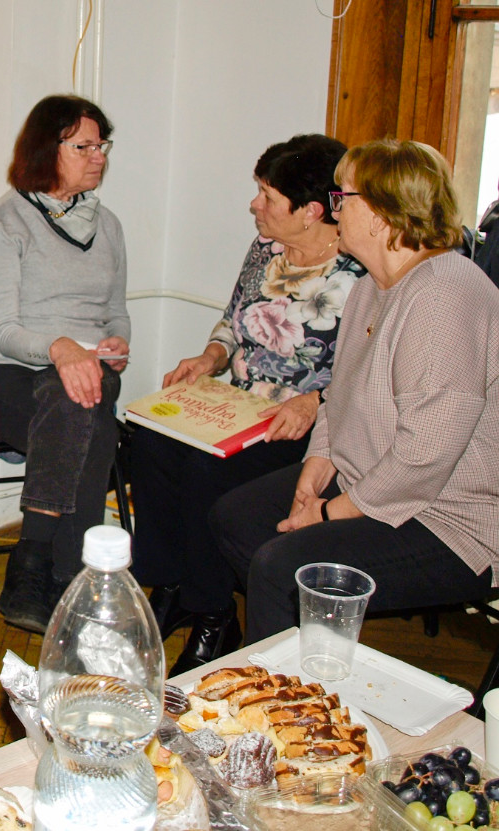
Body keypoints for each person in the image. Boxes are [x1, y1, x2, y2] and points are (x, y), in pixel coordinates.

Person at [211, 139, 499, 644]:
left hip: (449, 517)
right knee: (235, 519)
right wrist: (316, 469)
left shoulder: (445, 296)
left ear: (383, 216)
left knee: (282, 568)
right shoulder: (371, 285)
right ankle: (306, 652)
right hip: (368, 480)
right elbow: (337, 396)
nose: (334, 209)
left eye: (343, 198)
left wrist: (327, 512)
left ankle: (288, 677)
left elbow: (424, 457)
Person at [129, 135, 365, 675]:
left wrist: (315, 401)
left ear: (310, 211)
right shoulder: (266, 248)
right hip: (235, 405)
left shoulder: (357, 275)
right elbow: (234, 320)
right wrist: (210, 356)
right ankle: (169, 586)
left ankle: (214, 614)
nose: (254, 204)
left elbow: (366, 372)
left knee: (205, 471)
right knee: (150, 441)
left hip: (302, 425)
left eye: (267, 195)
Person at [0, 94, 129, 634]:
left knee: (77, 397)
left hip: (87, 373)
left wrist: (116, 345)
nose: (98, 157)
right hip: (2, 370)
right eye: (84, 147)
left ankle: (31, 563)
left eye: (102, 146)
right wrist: (61, 348)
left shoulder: (109, 226)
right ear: (45, 149)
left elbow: (117, 313)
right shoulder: (3, 221)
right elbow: (4, 331)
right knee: (91, 421)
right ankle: (72, 579)